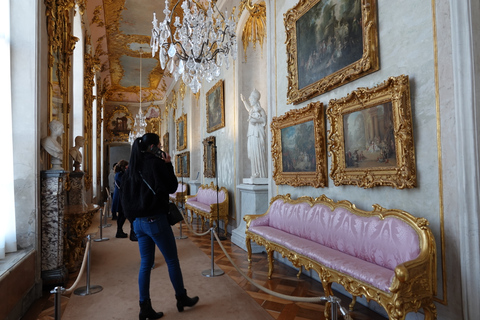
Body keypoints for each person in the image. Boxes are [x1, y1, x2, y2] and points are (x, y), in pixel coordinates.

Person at [120, 133, 199, 319]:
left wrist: (133, 222)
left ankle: (144, 306)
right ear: (154, 146)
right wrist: (168, 164)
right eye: (160, 144)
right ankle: (181, 297)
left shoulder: (131, 168)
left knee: (146, 264)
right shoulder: (155, 164)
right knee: (172, 260)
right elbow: (172, 187)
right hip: (155, 220)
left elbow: (125, 200)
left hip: (139, 223)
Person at [241, 88, 267, 178]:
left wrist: (255, 121)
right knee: (252, 154)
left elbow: (264, 120)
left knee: (258, 153)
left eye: (251, 99)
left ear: (255, 100)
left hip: (257, 135)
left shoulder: (261, 110)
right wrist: (244, 101)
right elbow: (248, 109)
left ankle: (260, 174)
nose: (250, 101)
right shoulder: (252, 110)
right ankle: (254, 172)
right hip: (251, 135)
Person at [111, 160, 136, 239]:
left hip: (121, 196)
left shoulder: (120, 174)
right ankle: (120, 231)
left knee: (122, 215)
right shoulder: (119, 175)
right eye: (126, 166)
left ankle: (120, 231)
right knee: (124, 215)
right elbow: (125, 183)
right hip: (120, 197)